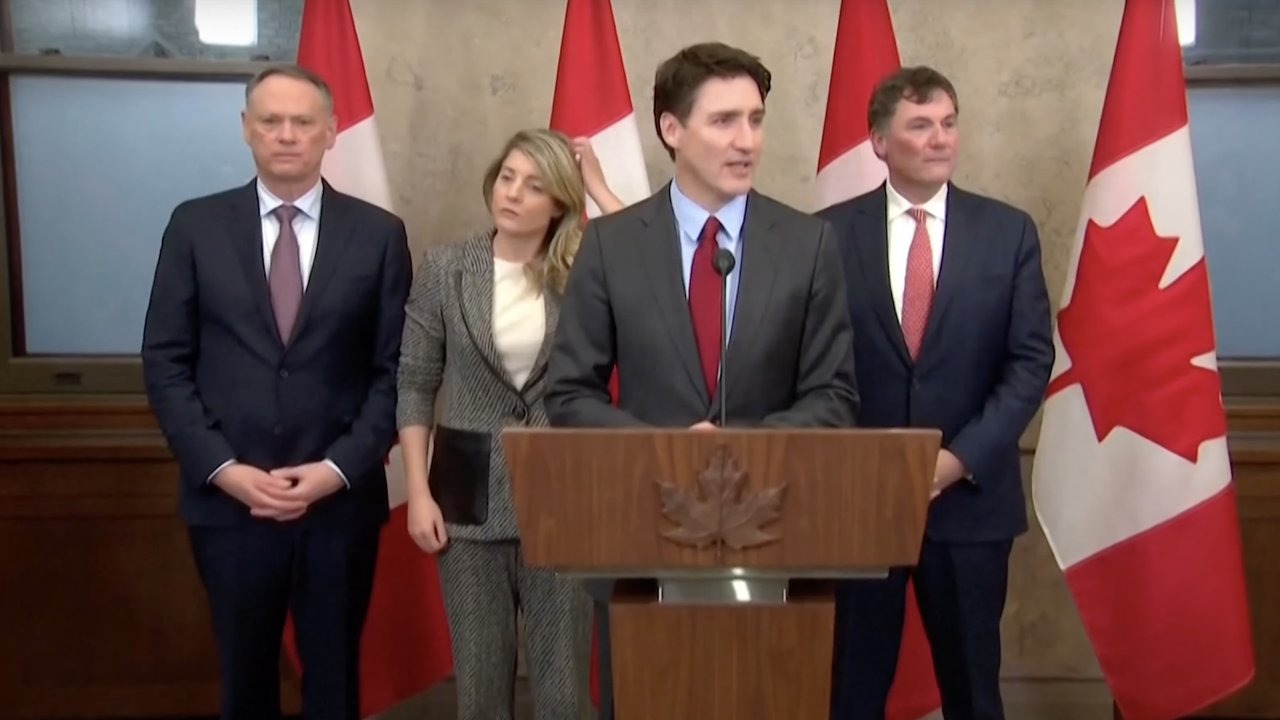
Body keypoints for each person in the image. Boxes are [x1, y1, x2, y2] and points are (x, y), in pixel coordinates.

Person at [543, 41, 860, 718]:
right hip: (641, 538)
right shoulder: (612, 245)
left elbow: (834, 396)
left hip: (779, 538)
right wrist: (672, 447)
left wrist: (737, 448)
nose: (747, 141)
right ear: (671, 129)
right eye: (724, 121)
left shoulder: (809, 245)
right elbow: (570, 393)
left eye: (756, 119)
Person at [141, 65, 411, 719]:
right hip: (229, 506)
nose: (286, 135)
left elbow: (399, 370)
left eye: (302, 122)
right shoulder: (195, 226)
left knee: (335, 683)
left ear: (330, 131)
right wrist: (224, 470)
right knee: (245, 681)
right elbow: (165, 361)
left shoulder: (378, 235)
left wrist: (336, 470)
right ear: (246, 130)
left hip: (337, 508)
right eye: (270, 121)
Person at [818, 66, 1054, 720]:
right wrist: (868, 464)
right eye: (920, 125)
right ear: (879, 141)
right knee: (851, 691)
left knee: (974, 691)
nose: (940, 139)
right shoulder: (826, 236)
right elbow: (811, 366)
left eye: (948, 123)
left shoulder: (1008, 233)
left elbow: (1031, 362)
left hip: (971, 501)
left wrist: (957, 460)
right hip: (860, 500)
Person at [396, 128, 623, 720]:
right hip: (465, 497)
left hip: (563, 493)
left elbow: (652, 262)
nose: (514, 194)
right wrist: (418, 493)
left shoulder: (587, 270)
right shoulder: (447, 269)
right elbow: (416, 384)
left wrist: (596, 186)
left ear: (560, 204)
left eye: (536, 185)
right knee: (481, 684)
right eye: (507, 177)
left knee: (563, 685)